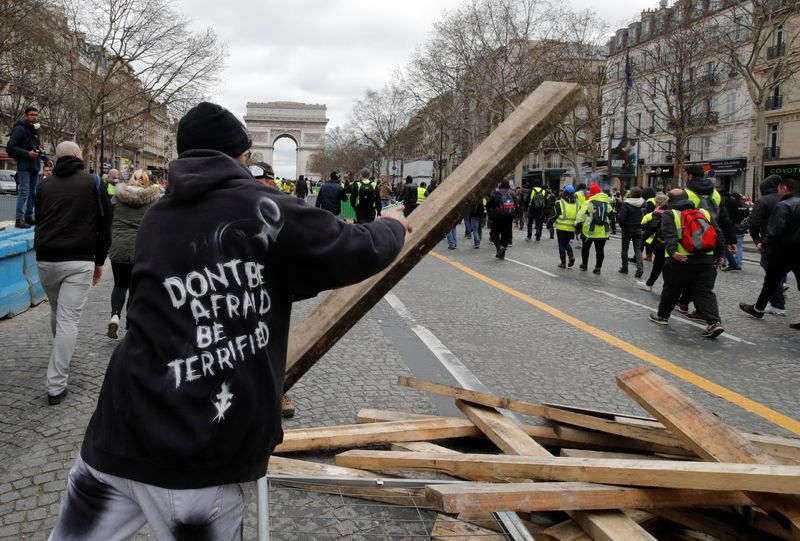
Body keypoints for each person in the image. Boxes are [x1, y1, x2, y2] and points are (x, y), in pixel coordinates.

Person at [50, 102, 411, 538]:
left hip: (116, 434)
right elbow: (351, 248)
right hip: (200, 451)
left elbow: (249, 278)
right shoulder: (264, 207)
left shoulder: (158, 216)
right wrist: (392, 225)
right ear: (239, 155)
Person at [34, 141, 112, 405]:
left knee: (57, 311)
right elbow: (105, 224)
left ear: (57, 159)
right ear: (79, 156)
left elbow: (39, 218)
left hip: (46, 259)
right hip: (79, 259)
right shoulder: (93, 182)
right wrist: (99, 261)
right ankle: (55, 385)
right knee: (68, 319)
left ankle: (60, 356)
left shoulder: (44, 184)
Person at [649, 189, 725, 339]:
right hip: (705, 260)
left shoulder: (671, 214)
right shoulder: (704, 212)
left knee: (671, 289)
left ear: (669, 201)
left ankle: (662, 316)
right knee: (704, 292)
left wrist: (673, 252)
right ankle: (714, 323)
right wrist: (720, 255)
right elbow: (718, 234)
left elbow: (669, 235)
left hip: (680, 260)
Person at [106, 168, 161, 340]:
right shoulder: (153, 201)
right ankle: (131, 325)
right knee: (135, 288)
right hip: (141, 248)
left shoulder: (116, 199)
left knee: (120, 285)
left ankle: (115, 316)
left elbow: (108, 222)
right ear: (146, 181)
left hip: (119, 247)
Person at [739, 178, 800, 329]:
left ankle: (758, 309)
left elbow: (776, 230)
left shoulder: (784, 205)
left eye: (779, 189)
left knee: (771, 281)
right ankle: (760, 308)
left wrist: (763, 243)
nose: (778, 192)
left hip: (783, 251)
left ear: (785, 188)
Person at [748, 174, 786, 315]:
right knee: (779, 271)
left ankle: (776, 304)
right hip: (789, 243)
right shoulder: (789, 199)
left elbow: (754, 222)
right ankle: (777, 299)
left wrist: (756, 240)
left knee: (771, 273)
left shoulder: (764, 201)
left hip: (769, 242)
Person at [7, 106, 49, 228]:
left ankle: (28, 217)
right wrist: (27, 153)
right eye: (32, 115)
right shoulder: (20, 129)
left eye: (36, 115)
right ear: (26, 115)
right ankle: (19, 219)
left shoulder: (35, 130)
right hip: (24, 166)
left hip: (35, 166)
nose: (34, 117)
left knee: (33, 193)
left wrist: (46, 160)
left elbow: (38, 148)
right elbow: (10, 148)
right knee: (24, 192)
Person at [576, 183, 611, 274]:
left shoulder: (589, 203)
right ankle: (598, 268)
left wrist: (577, 225)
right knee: (600, 250)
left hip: (589, 231)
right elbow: (611, 215)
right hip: (603, 231)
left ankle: (584, 265)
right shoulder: (607, 204)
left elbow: (581, 216)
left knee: (586, 248)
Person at [637, 194, 668, 291]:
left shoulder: (655, 214)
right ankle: (649, 283)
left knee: (661, 265)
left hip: (660, 243)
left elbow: (645, 225)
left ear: (658, 203)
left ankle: (664, 286)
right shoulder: (671, 212)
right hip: (670, 243)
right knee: (660, 265)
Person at [617, 186, 646, 277]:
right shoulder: (644, 203)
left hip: (627, 228)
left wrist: (622, 225)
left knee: (624, 249)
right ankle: (640, 268)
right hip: (638, 228)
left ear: (631, 194)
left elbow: (621, 217)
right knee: (637, 249)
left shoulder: (626, 203)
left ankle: (624, 267)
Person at [547, 185, 578, 268]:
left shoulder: (560, 202)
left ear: (565, 192)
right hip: (571, 227)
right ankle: (571, 256)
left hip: (561, 228)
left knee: (561, 244)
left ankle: (563, 263)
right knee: (567, 243)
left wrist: (548, 224)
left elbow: (554, 215)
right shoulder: (576, 203)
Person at [487, 180, 517, 259]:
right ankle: (502, 253)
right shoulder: (513, 193)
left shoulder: (497, 193)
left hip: (498, 217)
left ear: (500, 184)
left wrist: (490, 217)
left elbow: (489, 205)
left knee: (493, 234)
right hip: (509, 217)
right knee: (505, 235)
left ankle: (499, 246)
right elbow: (517, 205)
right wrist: (514, 216)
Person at [721, 192, 747, 271]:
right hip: (742, 227)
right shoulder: (744, 205)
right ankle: (738, 262)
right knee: (739, 245)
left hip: (733, 227)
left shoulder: (730, 204)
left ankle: (724, 261)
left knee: (726, 244)